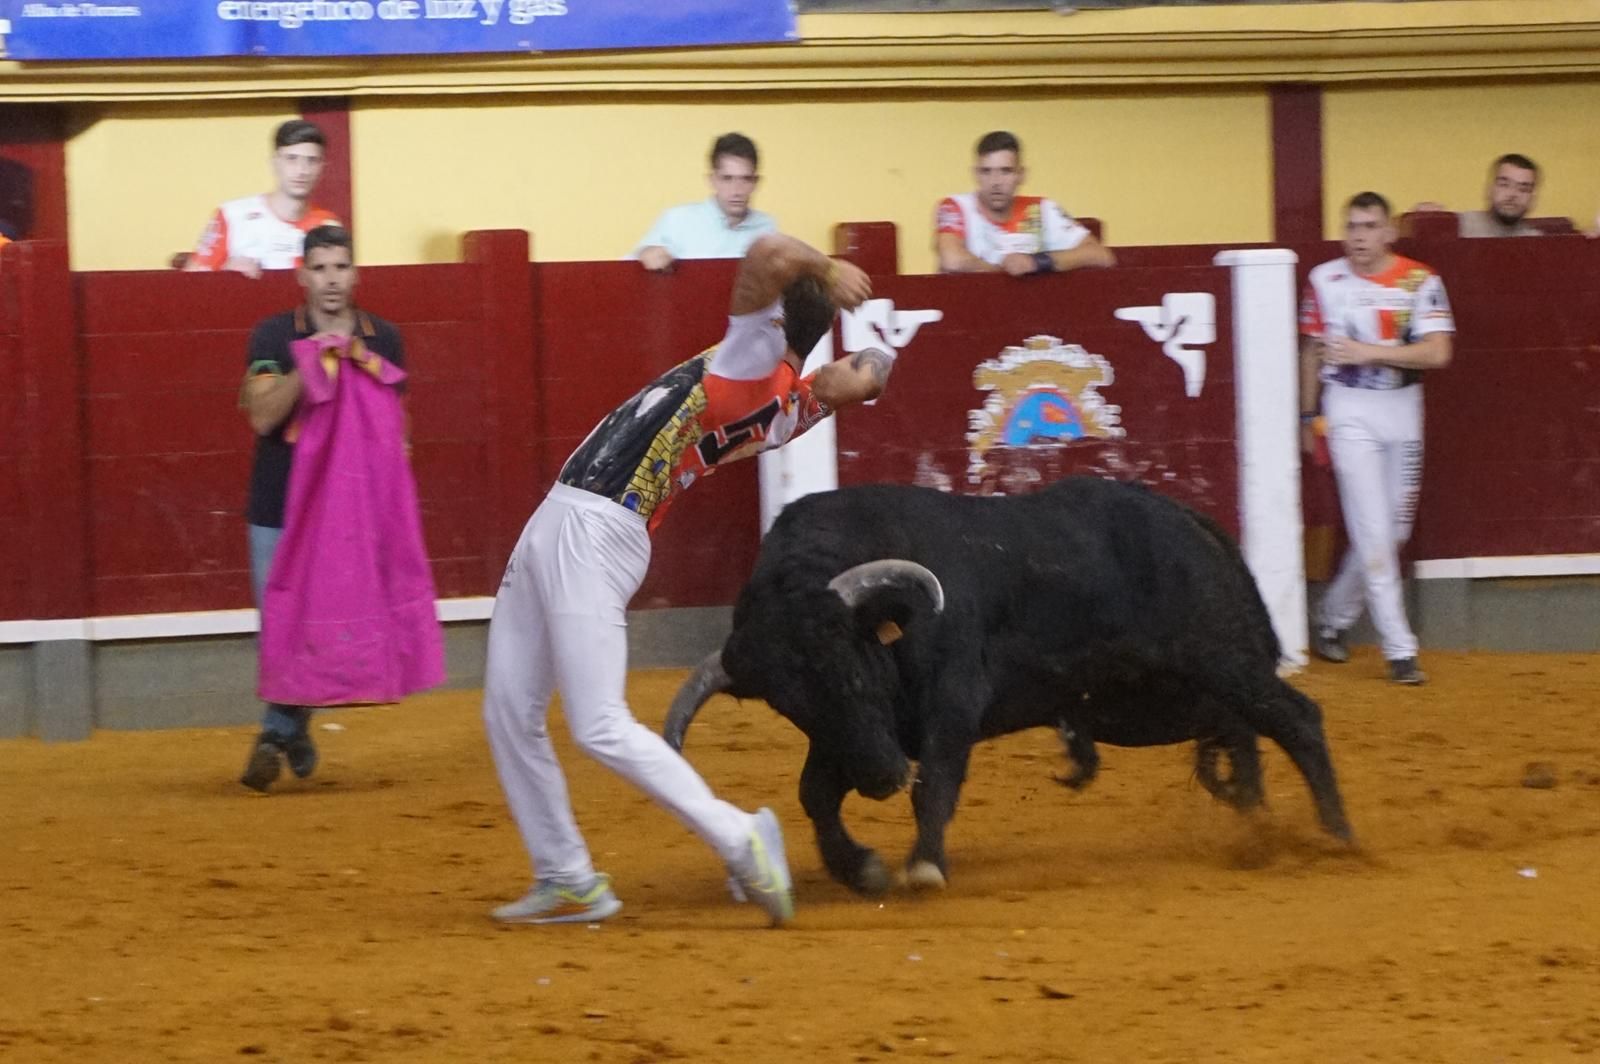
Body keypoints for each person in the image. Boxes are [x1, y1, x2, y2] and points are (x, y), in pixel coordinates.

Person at [484, 232, 888, 927]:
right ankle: (567, 876)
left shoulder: (750, 359)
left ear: (774, 318)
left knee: (600, 722)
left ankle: (739, 837)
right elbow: (873, 373)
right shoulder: (793, 402)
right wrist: (851, 359)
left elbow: (767, 252)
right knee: (507, 710)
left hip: (595, 527)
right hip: (566, 521)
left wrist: (824, 269)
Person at [238, 225, 415, 791]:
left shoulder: (382, 338)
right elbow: (262, 415)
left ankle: (276, 732)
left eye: (340, 267)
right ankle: (293, 729)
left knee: (329, 626)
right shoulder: (272, 335)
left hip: (348, 513)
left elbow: (394, 430)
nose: (331, 279)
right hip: (280, 504)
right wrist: (309, 366)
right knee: (283, 629)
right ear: (302, 275)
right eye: (319, 268)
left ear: (355, 273)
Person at [1299, 192, 1455, 686]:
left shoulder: (1418, 280)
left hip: (1403, 410)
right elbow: (1309, 351)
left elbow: (1438, 354)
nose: (1358, 236)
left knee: (1392, 534)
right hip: (1348, 410)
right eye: (1351, 227)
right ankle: (1401, 650)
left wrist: (1366, 351)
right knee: (1373, 532)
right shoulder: (1324, 280)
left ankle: (1331, 619)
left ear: (1389, 233)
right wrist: (1307, 415)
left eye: (1368, 226)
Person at [935, 130, 1116, 276]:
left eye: (1005, 171)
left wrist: (1037, 263)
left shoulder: (1042, 209)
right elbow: (952, 260)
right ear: (975, 174)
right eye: (986, 171)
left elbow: (1101, 256)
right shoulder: (956, 206)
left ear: (1021, 175)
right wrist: (1006, 274)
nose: (995, 181)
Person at [187, 119, 341, 277]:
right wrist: (226, 272)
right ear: (274, 162)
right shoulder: (232, 215)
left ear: (323, 168)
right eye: (291, 159)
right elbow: (191, 282)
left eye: (311, 161)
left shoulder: (328, 225)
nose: (302, 170)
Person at [632, 133, 778, 271]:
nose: (736, 190)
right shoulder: (677, 220)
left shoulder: (766, 228)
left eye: (745, 179)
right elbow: (626, 271)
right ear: (712, 180)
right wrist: (645, 254)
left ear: (756, 182)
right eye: (727, 178)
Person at [1412, 154, 1542, 238]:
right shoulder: (1460, 226)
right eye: (1504, 184)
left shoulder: (1539, 243)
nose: (1513, 194)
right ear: (1489, 189)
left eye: (1523, 189)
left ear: (1533, 199)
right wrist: (1422, 218)